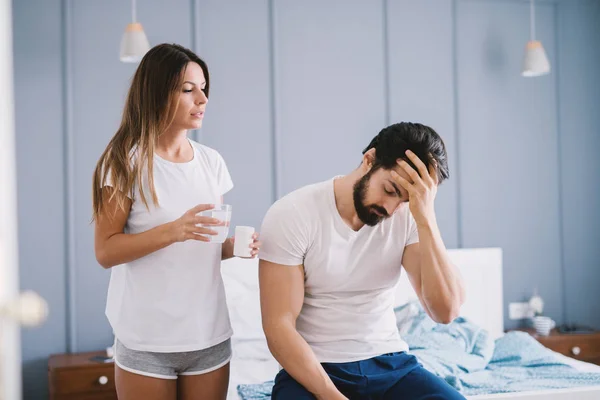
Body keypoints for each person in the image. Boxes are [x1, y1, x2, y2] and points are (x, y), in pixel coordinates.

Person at [92, 43, 260, 400]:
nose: (202, 99)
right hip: (147, 339)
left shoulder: (211, 162)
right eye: (188, 90)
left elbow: (204, 247)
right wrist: (174, 230)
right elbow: (106, 250)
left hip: (209, 336)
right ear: (156, 93)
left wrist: (232, 248)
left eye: (203, 89)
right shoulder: (125, 162)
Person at [258, 122, 467, 399]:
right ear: (369, 160)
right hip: (314, 369)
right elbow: (278, 327)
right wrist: (331, 396)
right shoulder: (293, 214)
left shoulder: (410, 217)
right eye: (391, 190)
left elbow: (445, 312)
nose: (391, 209)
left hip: (390, 365)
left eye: (405, 200)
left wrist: (425, 216)